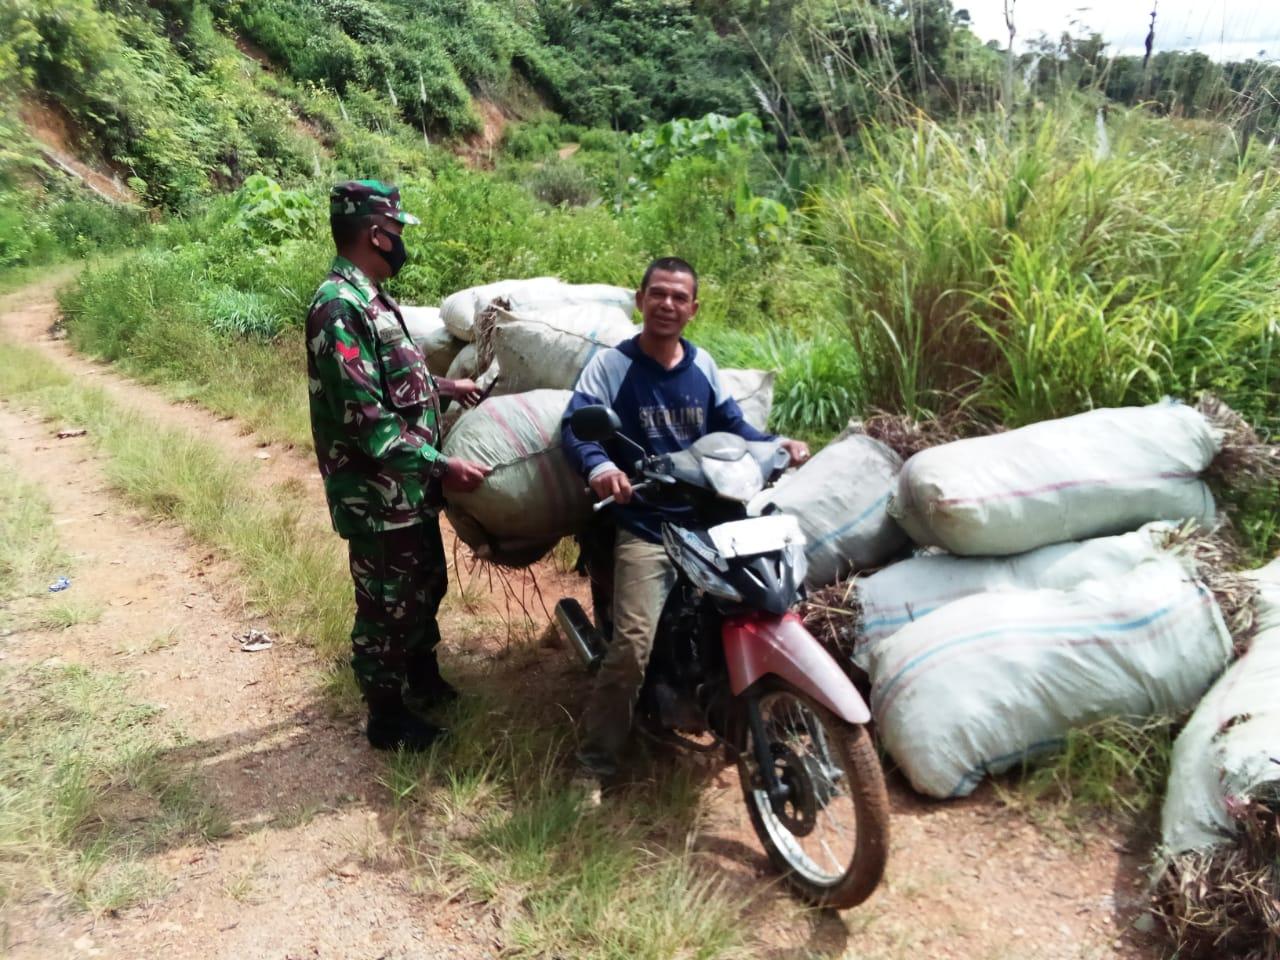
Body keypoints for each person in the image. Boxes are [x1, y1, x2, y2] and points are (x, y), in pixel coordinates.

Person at [561, 256, 810, 801]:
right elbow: (576, 427)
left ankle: (755, 710)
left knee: (770, 604)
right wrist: (600, 467)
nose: (667, 304)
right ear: (640, 300)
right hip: (647, 522)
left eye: (679, 297)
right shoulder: (612, 366)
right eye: (658, 294)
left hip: (712, 519)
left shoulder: (703, 365)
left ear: (693, 309)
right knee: (632, 646)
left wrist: (776, 445)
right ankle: (594, 765)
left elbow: (733, 426)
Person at [306, 179, 491, 751]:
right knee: (386, 605)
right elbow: (369, 420)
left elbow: (395, 379)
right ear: (376, 234)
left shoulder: (373, 298)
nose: (401, 241)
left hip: (406, 490)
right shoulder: (338, 307)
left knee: (424, 584)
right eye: (397, 230)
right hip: (377, 494)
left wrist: (448, 387)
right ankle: (386, 716)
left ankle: (422, 677)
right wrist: (442, 466)